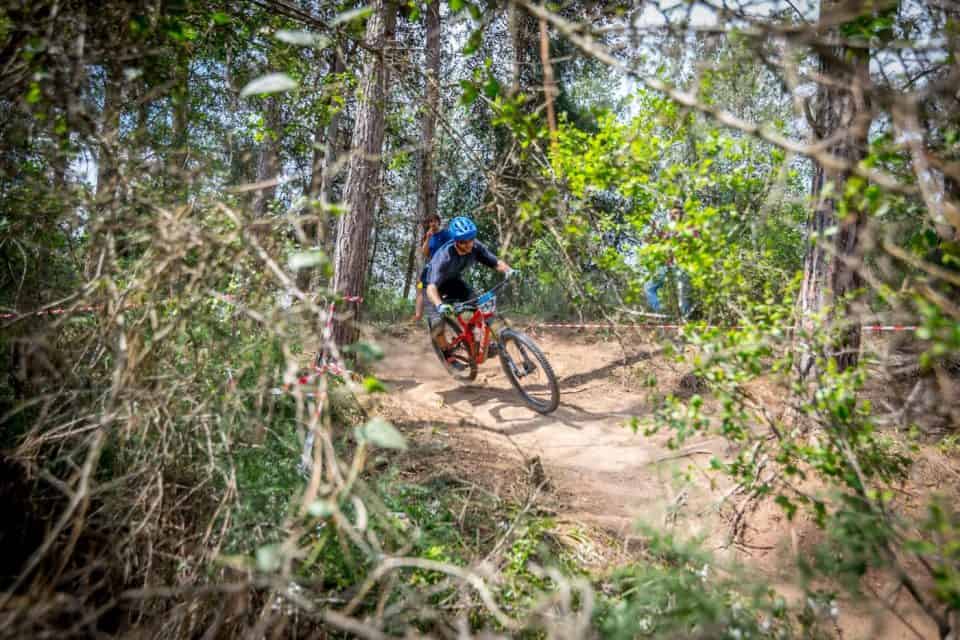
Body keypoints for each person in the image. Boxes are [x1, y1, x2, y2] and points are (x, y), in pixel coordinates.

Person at [424, 216, 514, 357]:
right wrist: (439, 305)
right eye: (463, 241)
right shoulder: (444, 257)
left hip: (453, 282)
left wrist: (509, 271)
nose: (468, 244)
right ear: (455, 241)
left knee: (479, 306)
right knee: (437, 324)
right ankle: (446, 353)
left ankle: (480, 342)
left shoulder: (476, 246)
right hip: (432, 287)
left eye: (471, 239)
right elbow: (431, 287)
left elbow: (496, 262)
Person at [644, 205, 694, 318]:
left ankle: (684, 319)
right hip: (667, 265)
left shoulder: (688, 227)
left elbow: (695, 241)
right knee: (649, 287)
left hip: (682, 265)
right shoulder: (667, 229)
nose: (673, 216)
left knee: (683, 293)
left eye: (676, 213)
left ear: (682, 215)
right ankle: (661, 312)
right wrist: (653, 229)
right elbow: (649, 241)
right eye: (671, 214)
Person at [413, 213, 451, 322]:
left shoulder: (446, 234)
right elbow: (425, 253)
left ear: (438, 222)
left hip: (443, 267)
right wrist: (428, 238)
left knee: (438, 291)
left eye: (434, 221)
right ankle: (418, 316)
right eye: (430, 222)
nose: (432, 223)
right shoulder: (429, 236)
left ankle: (441, 315)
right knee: (420, 287)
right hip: (430, 268)